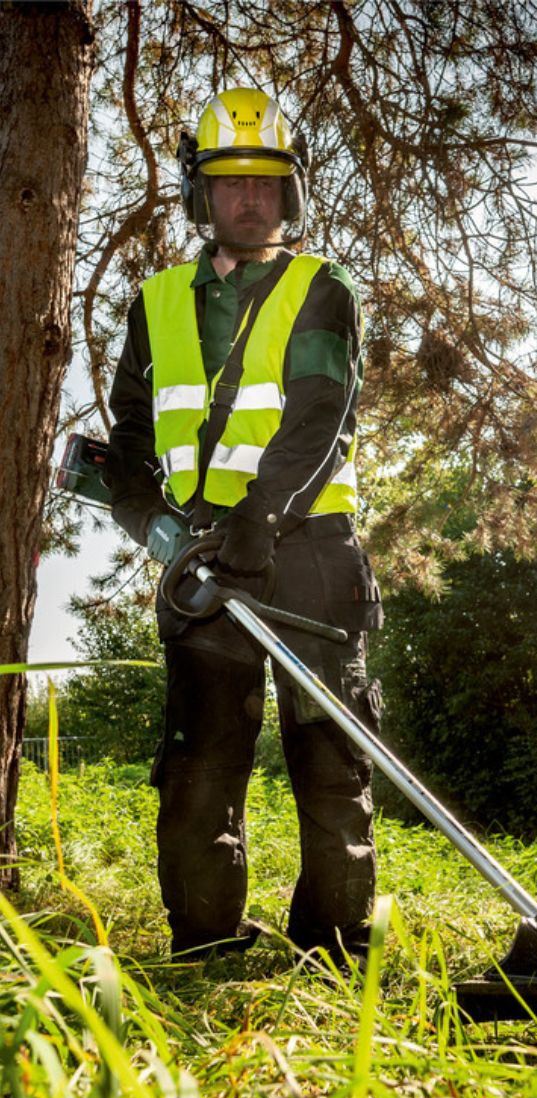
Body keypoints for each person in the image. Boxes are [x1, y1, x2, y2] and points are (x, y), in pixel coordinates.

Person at [102, 86, 383, 965]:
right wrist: (148, 516)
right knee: (199, 759)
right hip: (202, 561)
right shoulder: (154, 302)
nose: (250, 198)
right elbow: (130, 436)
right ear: (204, 194)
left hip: (307, 551)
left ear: (288, 192)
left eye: (266, 181)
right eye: (231, 183)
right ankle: (204, 941)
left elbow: (319, 412)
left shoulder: (321, 287)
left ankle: (332, 946)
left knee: (330, 752)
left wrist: (262, 515)